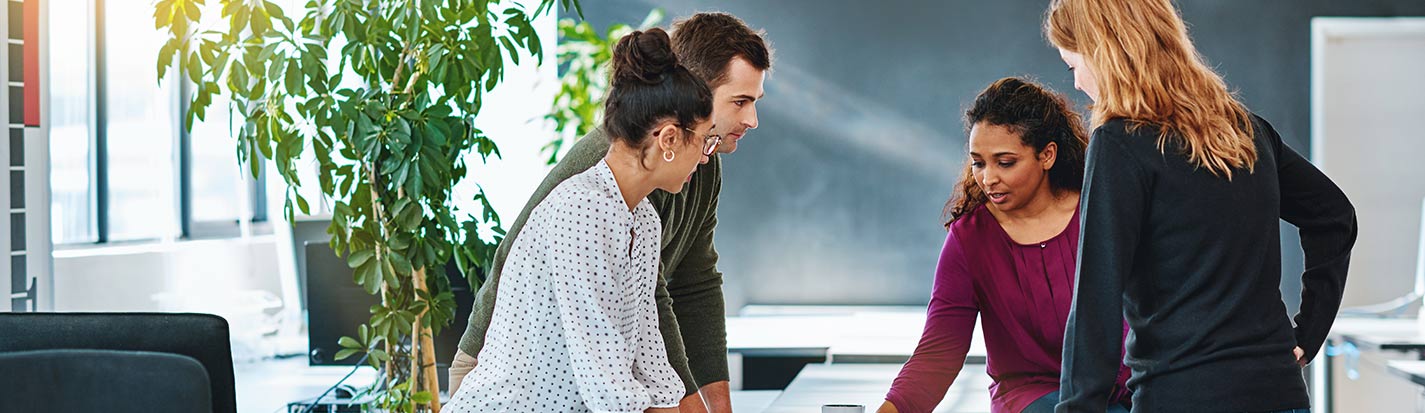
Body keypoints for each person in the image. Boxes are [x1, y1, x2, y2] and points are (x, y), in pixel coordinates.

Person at [449, 12, 772, 413]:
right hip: (512, 385)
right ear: (672, 131)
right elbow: (607, 382)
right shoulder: (586, 205)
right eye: (740, 101)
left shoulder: (647, 213)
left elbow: (660, 341)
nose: (751, 120)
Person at [1044, 0, 1358, 411]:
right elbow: (1335, 215)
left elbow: (1096, 297)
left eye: (1074, 65)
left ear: (1104, 52)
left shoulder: (1120, 143)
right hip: (1279, 392)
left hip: (1183, 397)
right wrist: (1308, 333)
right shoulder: (1246, 130)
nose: (1078, 83)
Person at [877, 78, 1130, 413]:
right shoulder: (970, 238)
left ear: (1047, 155)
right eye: (979, 162)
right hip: (1031, 399)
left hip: (1118, 395)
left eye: (1005, 162)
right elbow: (940, 352)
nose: (988, 178)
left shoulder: (1100, 213)